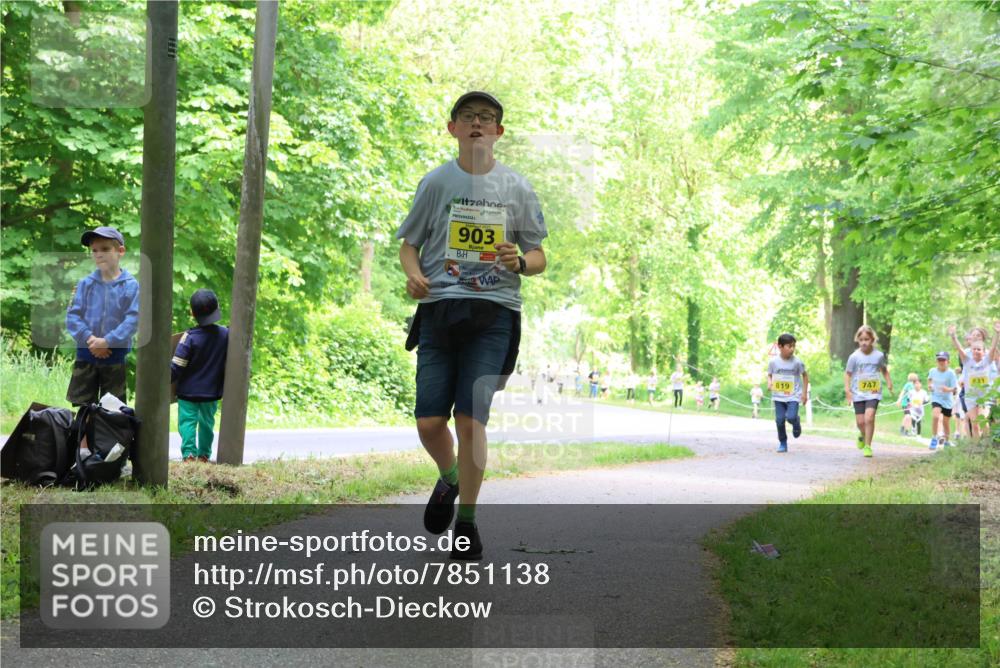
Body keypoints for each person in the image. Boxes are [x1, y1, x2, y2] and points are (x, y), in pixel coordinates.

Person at [396, 91, 547, 560]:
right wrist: (413, 275)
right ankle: (448, 479)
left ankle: (467, 522)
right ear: (453, 128)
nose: (478, 124)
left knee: (470, 419)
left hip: (494, 313)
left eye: (487, 118)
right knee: (427, 422)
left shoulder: (517, 189)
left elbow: (540, 256)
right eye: (468, 117)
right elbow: (409, 244)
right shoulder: (436, 183)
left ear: (499, 132)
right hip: (441, 310)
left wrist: (519, 261)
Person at [65, 226, 140, 407]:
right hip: (86, 354)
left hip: (114, 356)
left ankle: (108, 436)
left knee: (113, 409)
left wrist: (107, 341)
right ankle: (83, 437)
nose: (99, 254)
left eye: (105, 249)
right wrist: (90, 339)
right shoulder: (85, 284)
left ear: (120, 251)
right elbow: (72, 316)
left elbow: (133, 319)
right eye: (95, 250)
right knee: (83, 407)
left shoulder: (131, 286)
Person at [171, 289, 229, 463]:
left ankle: (189, 455)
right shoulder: (226, 335)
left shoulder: (189, 337)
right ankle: (204, 455)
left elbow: (177, 366)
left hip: (187, 393)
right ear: (217, 308)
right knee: (207, 424)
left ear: (192, 313)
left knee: (187, 423)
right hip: (211, 393)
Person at [844, 325, 893, 458]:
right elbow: (848, 374)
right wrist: (847, 391)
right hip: (858, 392)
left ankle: (868, 446)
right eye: (861, 340)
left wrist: (888, 382)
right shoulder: (854, 357)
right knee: (860, 422)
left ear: (872, 340)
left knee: (869, 417)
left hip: (873, 392)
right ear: (858, 340)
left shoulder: (878, 355)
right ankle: (863, 435)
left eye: (867, 339)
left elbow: (883, 370)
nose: (864, 342)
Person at [949, 322, 1000, 440]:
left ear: (983, 351)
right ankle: (976, 448)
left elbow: (992, 348)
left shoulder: (987, 360)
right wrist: (953, 336)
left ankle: (987, 444)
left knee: (982, 420)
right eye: (974, 349)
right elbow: (959, 348)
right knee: (974, 424)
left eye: (979, 349)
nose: (976, 351)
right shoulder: (967, 360)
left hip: (985, 396)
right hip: (970, 396)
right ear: (971, 350)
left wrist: (997, 333)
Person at [768, 333, 809, 453]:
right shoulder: (773, 362)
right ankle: (783, 442)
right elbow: (769, 375)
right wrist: (770, 383)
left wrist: (804, 393)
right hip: (778, 396)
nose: (792, 349)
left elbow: (805, 376)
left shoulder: (797, 362)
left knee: (790, 417)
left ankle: (796, 422)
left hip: (793, 395)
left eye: (793, 346)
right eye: (789, 346)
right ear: (780, 346)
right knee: (779, 420)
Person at [927, 351, 958, 450]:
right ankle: (934, 438)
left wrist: (947, 389)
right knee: (935, 416)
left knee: (946, 422)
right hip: (936, 397)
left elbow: (955, 389)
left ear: (948, 361)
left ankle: (947, 441)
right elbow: (930, 380)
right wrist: (930, 386)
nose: (941, 362)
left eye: (943, 360)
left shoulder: (951, 373)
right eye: (939, 360)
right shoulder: (932, 370)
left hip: (947, 400)